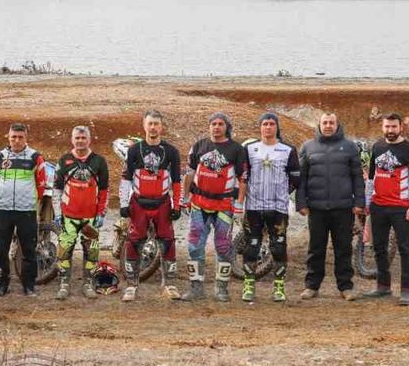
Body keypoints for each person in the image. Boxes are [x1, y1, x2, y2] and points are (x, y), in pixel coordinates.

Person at [296, 112, 365, 301]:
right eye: (325, 122)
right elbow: (301, 179)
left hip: (343, 208)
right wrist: (301, 203)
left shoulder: (350, 147)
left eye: (331, 123)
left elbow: (357, 177)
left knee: (343, 248)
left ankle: (345, 287)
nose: (328, 126)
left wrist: (359, 202)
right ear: (319, 125)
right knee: (315, 248)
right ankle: (311, 286)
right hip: (316, 208)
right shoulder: (308, 147)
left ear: (337, 125)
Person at [181, 112, 248, 302]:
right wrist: (184, 197)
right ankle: (196, 288)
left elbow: (243, 178)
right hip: (199, 203)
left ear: (227, 127)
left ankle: (221, 289)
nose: (216, 127)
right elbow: (189, 173)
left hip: (224, 205)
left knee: (223, 246)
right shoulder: (199, 146)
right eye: (213, 124)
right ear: (209, 126)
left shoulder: (236, 149)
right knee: (194, 246)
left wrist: (239, 204)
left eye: (220, 124)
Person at [118, 110, 183, 302]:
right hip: (139, 203)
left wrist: (177, 206)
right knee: (133, 242)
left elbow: (177, 181)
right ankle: (131, 285)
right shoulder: (133, 150)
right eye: (150, 123)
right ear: (144, 125)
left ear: (161, 126)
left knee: (168, 242)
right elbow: (126, 179)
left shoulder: (171, 151)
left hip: (162, 203)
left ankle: (170, 284)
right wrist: (123, 204)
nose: (153, 127)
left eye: (156, 123)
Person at [362, 113, 409, 306]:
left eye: (393, 127)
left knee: (406, 249)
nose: (390, 130)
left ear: (400, 127)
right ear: (382, 127)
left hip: (401, 208)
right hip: (378, 206)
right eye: (387, 127)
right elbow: (371, 178)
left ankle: (406, 290)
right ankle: (383, 286)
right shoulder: (377, 147)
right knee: (379, 248)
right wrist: (367, 203)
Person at [241, 112, 300, 303]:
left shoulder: (288, 150)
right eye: (265, 124)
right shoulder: (249, 149)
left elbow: (295, 179)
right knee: (251, 246)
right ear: (260, 127)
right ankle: (249, 285)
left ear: (277, 127)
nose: (268, 127)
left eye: (271, 124)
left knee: (279, 247)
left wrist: (282, 192)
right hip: (254, 206)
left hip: (278, 208)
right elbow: (243, 176)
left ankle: (279, 287)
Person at [52, 126, 110, 300]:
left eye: (83, 138)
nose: (80, 141)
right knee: (64, 251)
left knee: (92, 252)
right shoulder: (64, 160)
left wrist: (101, 213)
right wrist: (57, 213)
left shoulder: (99, 161)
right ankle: (64, 284)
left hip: (90, 217)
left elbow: (105, 190)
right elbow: (57, 189)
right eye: (77, 138)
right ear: (72, 140)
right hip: (68, 216)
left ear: (89, 140)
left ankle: (88, 284)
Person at [0, 123, 47, 297]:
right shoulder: (0, 157)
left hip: (26, 210)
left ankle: (29, 285)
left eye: (20, 137)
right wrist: (3, 196)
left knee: (29, 250)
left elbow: (41, 184)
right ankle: (2, 284)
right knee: (1, 250)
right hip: (4, 209)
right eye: (13, 137)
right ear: (8, 137)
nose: (16, 140)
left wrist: (31, 200)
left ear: (26, 138)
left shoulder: (35, 157)